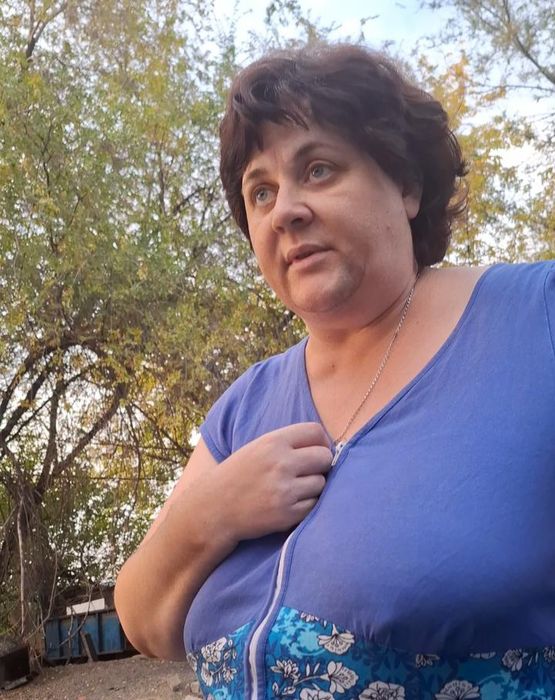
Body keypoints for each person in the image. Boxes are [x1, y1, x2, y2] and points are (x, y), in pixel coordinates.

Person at [114, 43, 555, 699]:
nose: (284, 210)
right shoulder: (246, 404)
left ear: (406, 185)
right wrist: (211, 513)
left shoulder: (536, 318)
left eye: (317, 169)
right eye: (260, 192)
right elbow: (146, 622)